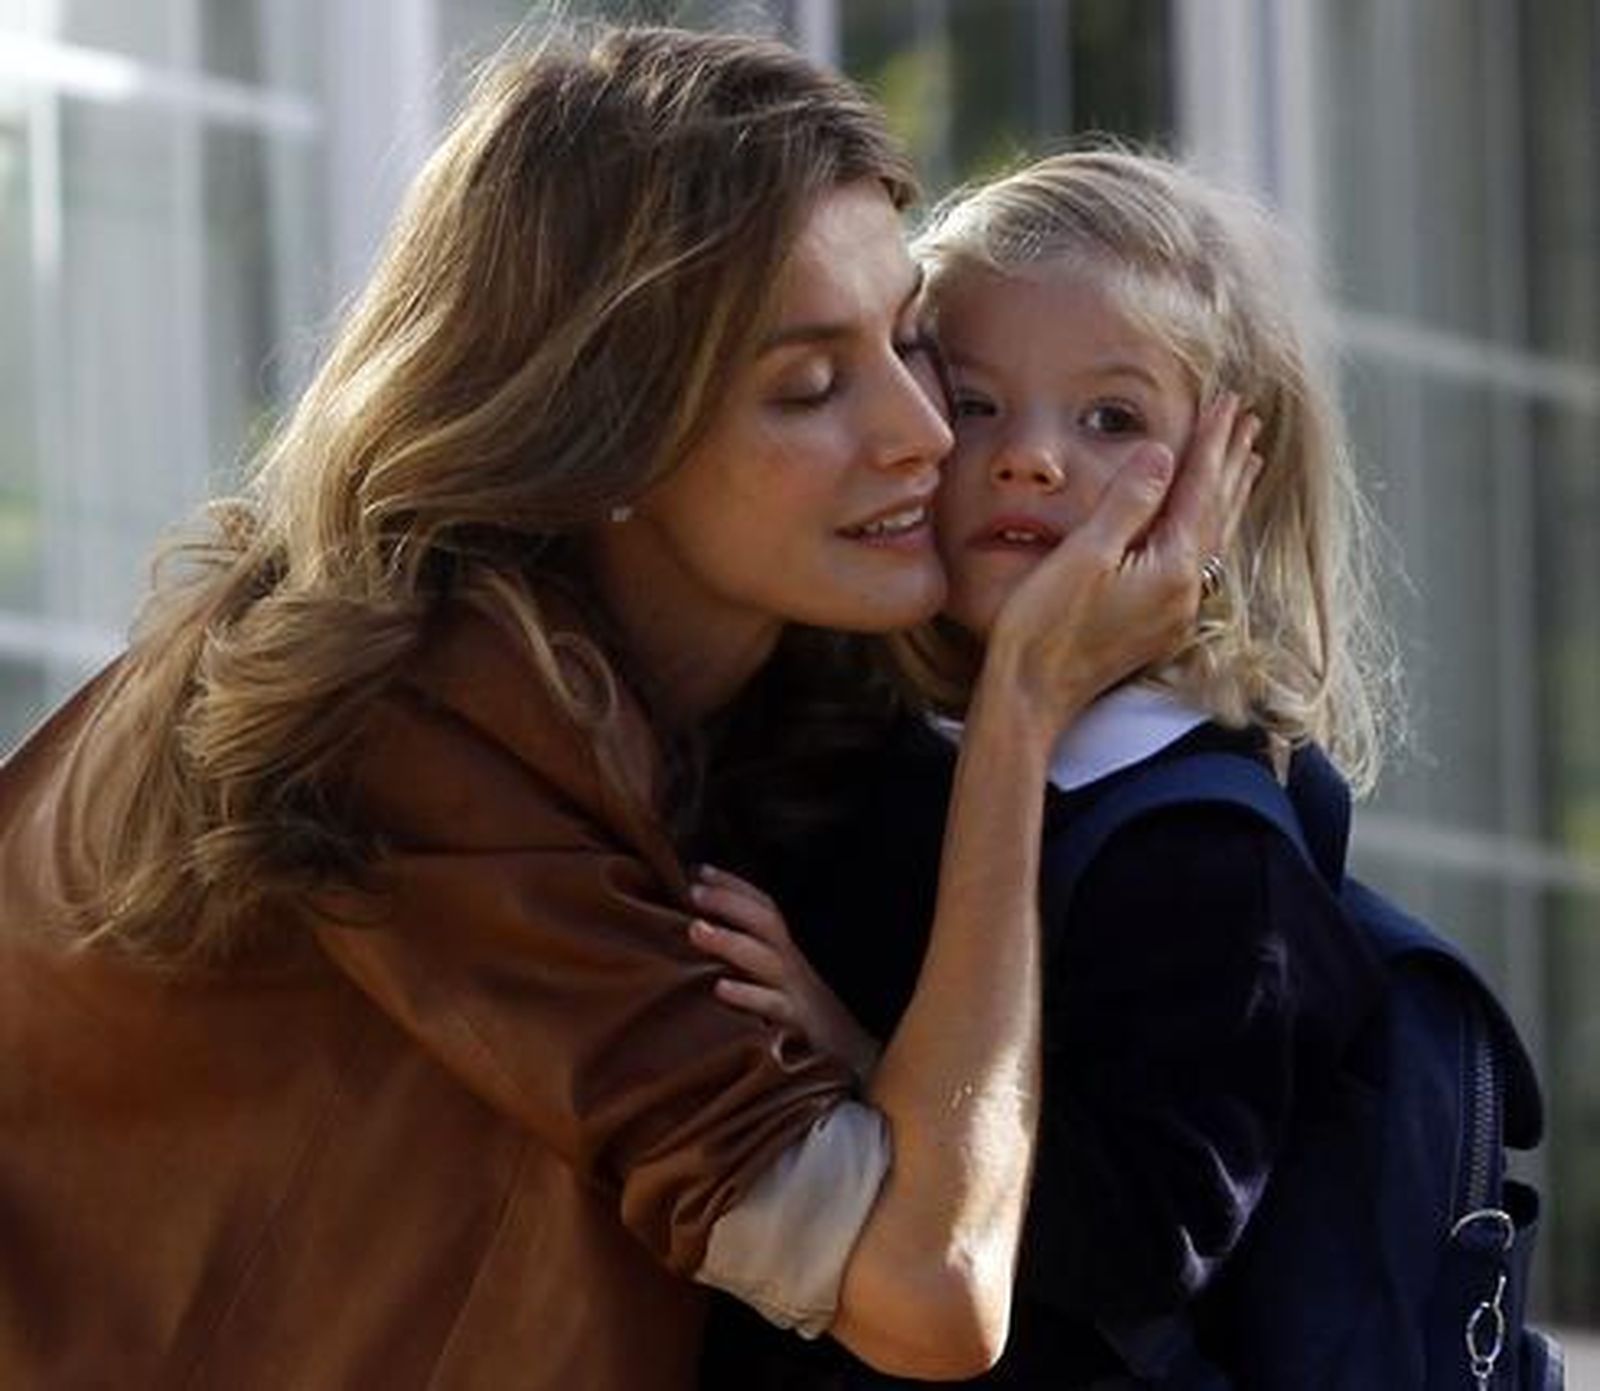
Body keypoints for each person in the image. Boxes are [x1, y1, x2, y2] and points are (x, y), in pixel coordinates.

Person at [0, 31, 1254, 1391]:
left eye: (910, 344)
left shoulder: (742, 711)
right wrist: (1024, 711)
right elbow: (932, 1288)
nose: (925, 433)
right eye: (809, 385)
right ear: (603, 433)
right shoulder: (410, 718)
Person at [693, 149, 1394, 1387]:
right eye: (972, 403)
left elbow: (1137, 1240)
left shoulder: (1208, 847)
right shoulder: (834, 732)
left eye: (1110, 418)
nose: (1028, 458)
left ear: (1229, 485)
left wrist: (853, 1057)